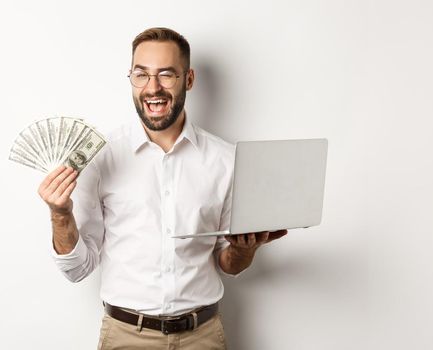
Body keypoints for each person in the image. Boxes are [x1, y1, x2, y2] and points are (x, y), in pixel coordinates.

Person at [37, 27, 287, 349]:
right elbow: (78, 269)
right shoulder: (99, 157)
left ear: (189, 79)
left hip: (203, 336)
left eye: (166, 75)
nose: (152, 88)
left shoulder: (227, 160)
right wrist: (60, 214)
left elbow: (228, 264)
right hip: (125, 337)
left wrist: (243, 249)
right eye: (141, 75)